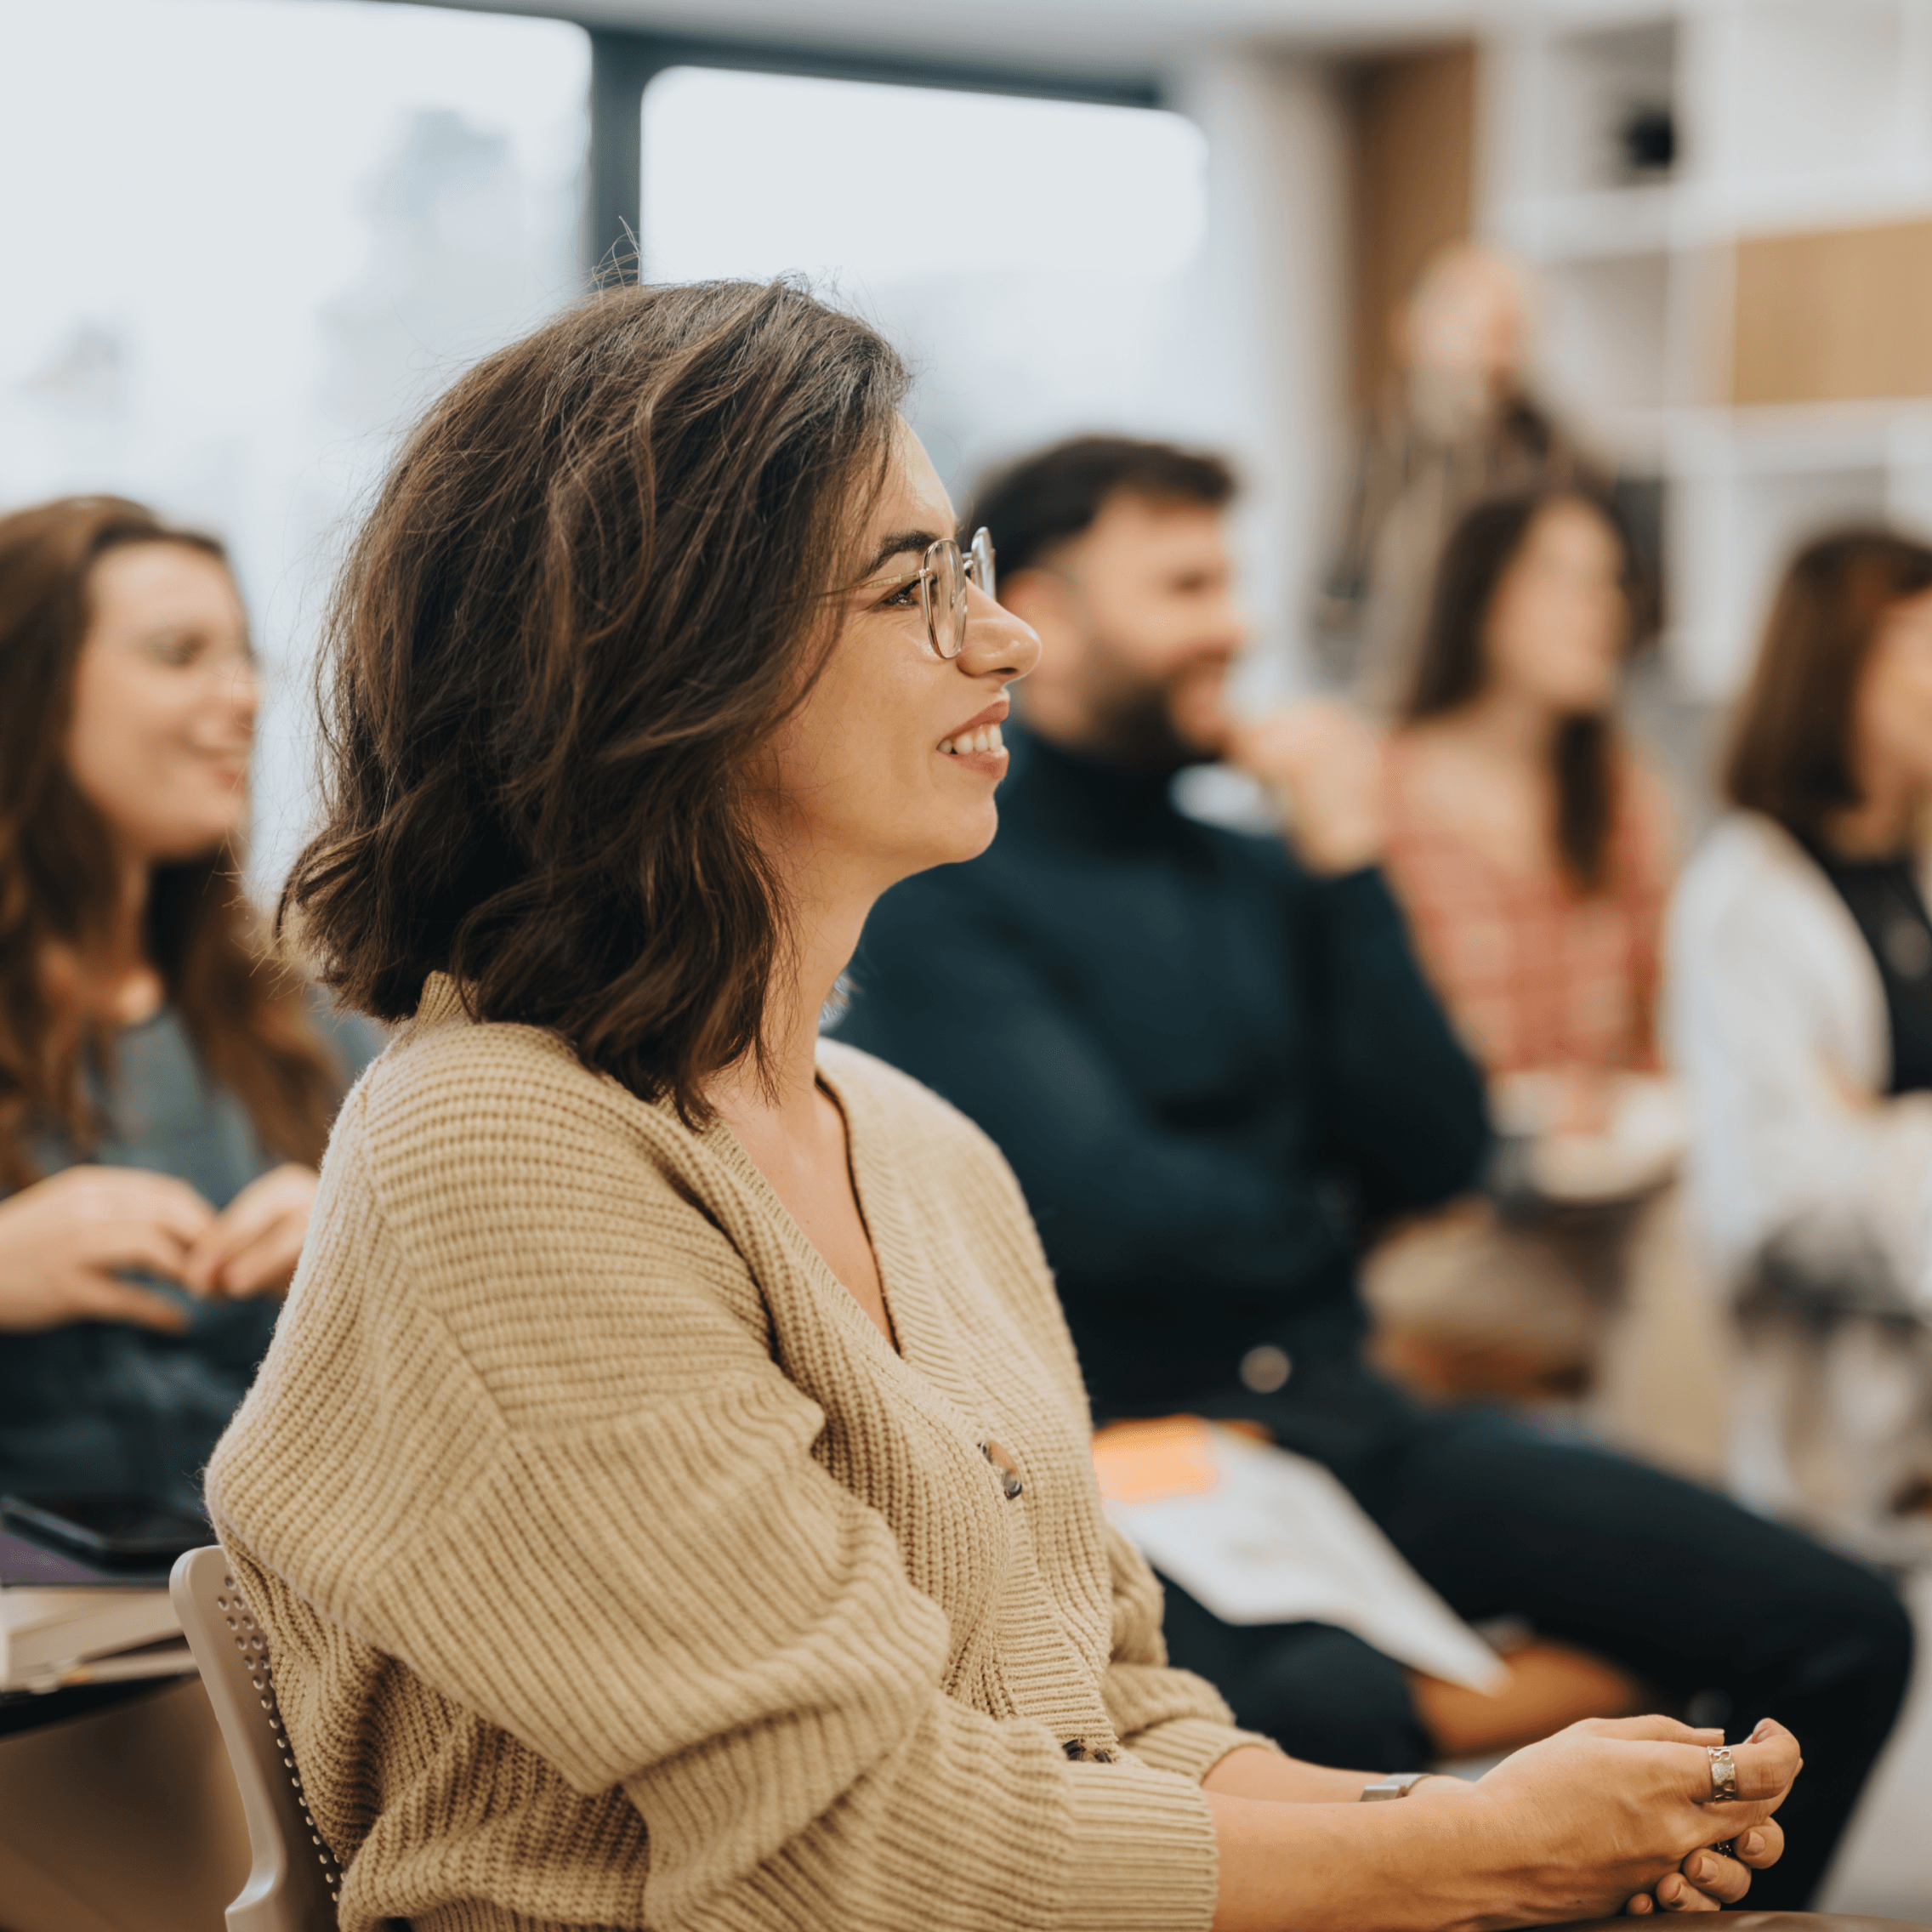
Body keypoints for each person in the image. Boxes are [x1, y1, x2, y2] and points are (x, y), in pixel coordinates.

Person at [208, 282, 1799, 1932]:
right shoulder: (496, 1147)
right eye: (916, 588)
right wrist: (1472, 1852)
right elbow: (847, 1844)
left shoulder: (911, 1140)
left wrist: (1483, 1824)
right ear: (673, 657)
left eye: (964, 568)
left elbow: (1120, 1721)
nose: (1004, 636)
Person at [835, 432, 1911, 1908]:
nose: (1239, 625)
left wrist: (1348, 864)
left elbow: (1445, 1145)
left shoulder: (1262, 869)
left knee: (1838, 1620)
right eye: (1189, 584)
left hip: (1346, 1414)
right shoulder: (946, 879)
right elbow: (1098, 1207)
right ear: (1056, 612)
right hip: (1128, 1452)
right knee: (1321, 1714)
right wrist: (1327, 1215)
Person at [0, 495, 372, 1930]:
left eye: (242, 657)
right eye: (177, 654)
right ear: (31, 690)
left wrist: (359, 1242)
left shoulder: (297, 1012)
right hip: (65, 1701)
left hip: (293, 1650)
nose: (238, 700)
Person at [1367, 486, 1725, 1479]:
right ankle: (1684, 1563)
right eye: (1562, 579)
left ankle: (1681, 1563)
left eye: (1609, 581)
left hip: (1611, 1203)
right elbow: (1353, 1065)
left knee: (1697, 1247)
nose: (1599, 609)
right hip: (1441, 1226)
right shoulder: (1376, 800)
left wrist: (1638, 1096)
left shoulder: (1623, 793)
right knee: (1681, 1301)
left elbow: (1669, 1020)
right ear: (1479, 598)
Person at [1671, 528, 1932, 1548]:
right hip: (1847, 1421)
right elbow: (1779, 1196)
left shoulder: (1913, 864)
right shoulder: (1746, 899)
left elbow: (1857, 1157)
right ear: (1832, 667)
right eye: (1912, 638)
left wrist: (1882, 1129)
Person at [1316, 242, 1595, 707]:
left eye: (1509, 335)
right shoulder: (1371, 446)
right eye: (1475, 330)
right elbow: (1336, 589)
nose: (1492, 358)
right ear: (1412, 331)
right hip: (1382, 694)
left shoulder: (1554, 458)